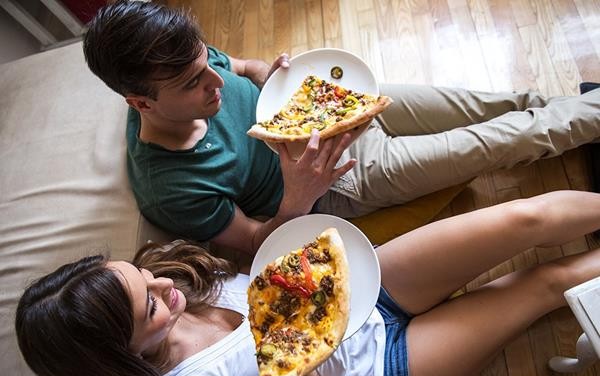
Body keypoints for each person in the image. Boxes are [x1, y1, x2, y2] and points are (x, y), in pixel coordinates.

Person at [16, 190, 600, 376]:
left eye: (140, 274)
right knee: (543, 282)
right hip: (384, 373)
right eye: (150, 303)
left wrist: (303, 204)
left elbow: (277, 263)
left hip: (370, 288)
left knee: (522, 220)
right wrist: (295, 353)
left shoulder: (176, 279)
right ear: (120, 352)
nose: (162, 281)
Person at [83, 1, 600, 255]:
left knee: (493, 103)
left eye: (207, 62)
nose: (215, 79)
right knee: (502, 141)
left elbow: (246, 68)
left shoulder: (185, 62)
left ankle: (583, 112)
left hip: (334, 113)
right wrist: (296, 195)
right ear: (140, 102)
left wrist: (278, 78)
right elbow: (261, 244)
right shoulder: (172, 187)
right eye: (195, 83)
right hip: (339, 176)